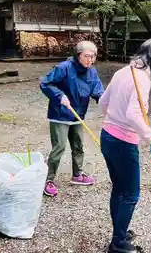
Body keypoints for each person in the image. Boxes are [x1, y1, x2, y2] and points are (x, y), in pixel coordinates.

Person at [99, 39, 151, 253]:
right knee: (130, 193)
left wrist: (113, 121)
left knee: (119, 189)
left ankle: (119, 232)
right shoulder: (142, 79)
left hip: (107, 136)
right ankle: (118, 243)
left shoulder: (123, 71)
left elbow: (103, 102)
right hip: (122, 142)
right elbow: (133, 115)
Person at [39, 41, 104, 197]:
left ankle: (77, 175)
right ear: (78, 55)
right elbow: (45, 83)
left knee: (78, 146)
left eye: (92, 56)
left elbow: (98, 91)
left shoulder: (92, 72)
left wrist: (105, 101)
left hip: (78, 114)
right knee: (59, 147)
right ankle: (48, 179)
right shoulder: (64, 68)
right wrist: (59, 96)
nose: (89, 59)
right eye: (86, 56)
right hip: (60, 114)